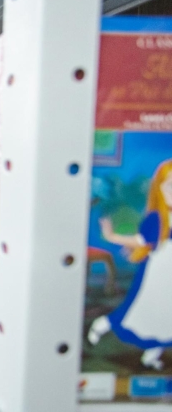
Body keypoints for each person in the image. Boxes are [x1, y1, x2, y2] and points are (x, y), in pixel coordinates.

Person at [89, 158, 172, 370]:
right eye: (170, 185)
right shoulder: (156, 218)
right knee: (138, 307)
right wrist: (112, 236)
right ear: (160, 188)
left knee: (167, 314)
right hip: (158, 271)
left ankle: (151, 356)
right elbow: (140, 241)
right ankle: (102, 325)